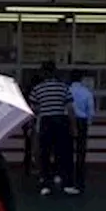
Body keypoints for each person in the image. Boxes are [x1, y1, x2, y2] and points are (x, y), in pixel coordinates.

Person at [28, 62, 78, 196]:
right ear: (55, 72)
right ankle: (66, 183)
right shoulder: (64, 87)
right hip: (61, 121)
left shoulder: (37, 89)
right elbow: (70, 109)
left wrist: (32, 127)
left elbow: (34, 111)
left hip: (46, 122)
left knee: (44, 153)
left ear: (43, 73)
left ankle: (45, 184)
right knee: (63, 153)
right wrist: (73, 127)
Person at [68, 70, 95, 192]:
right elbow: (91, 110)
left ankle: (66, 176)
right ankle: (79, 178)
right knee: (80, 151)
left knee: (66, 149)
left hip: (68, 120)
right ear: (81, 79)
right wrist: (88, 123)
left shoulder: (67, 90)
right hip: (82, 121)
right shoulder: (86, 92)